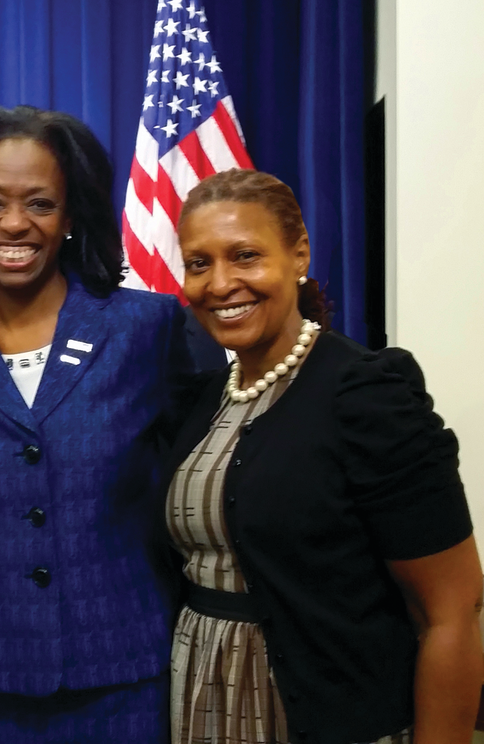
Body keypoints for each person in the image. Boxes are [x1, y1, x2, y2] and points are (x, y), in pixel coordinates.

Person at [0, 105, 194, 743]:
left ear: (70, 215)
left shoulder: (147, 329)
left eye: (39, 203)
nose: (13, 224)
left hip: (127, 677)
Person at [166, 168, 483, 743]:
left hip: (326, 714)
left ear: (299, 254)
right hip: (203, 705)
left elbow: (452, 612)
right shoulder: (203, 400)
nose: (220, 283)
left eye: (245, 256)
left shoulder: (366, 394)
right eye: (198, 263)